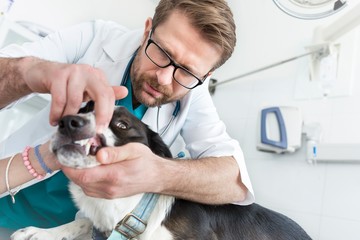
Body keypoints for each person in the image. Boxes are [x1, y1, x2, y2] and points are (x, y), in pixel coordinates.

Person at [0, 0, 254, 231]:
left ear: (205, 77)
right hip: (7, 199)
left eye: (187, 71)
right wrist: (30, 71)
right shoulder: (94, 38)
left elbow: (234, 180)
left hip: (69, 231)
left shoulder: (193, 90)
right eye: (163, 53)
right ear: (147, 32)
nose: (164, 78)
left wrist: (157, 174)